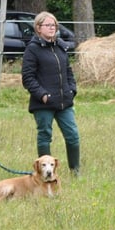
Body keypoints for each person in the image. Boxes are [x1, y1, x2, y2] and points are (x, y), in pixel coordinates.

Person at [21, 11, 81, 175]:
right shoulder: (32, 50)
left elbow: (68, 71)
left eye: (54, 25)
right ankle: (44, 173)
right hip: (43, 104)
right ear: (38, 28)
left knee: (73, 136)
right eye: (48, 25)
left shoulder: (60, 47)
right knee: (45, 136)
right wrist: (43, 95)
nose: (52, 28)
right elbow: (28, 78)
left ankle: (75, 171)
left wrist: (72, 89)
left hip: (64, 102)